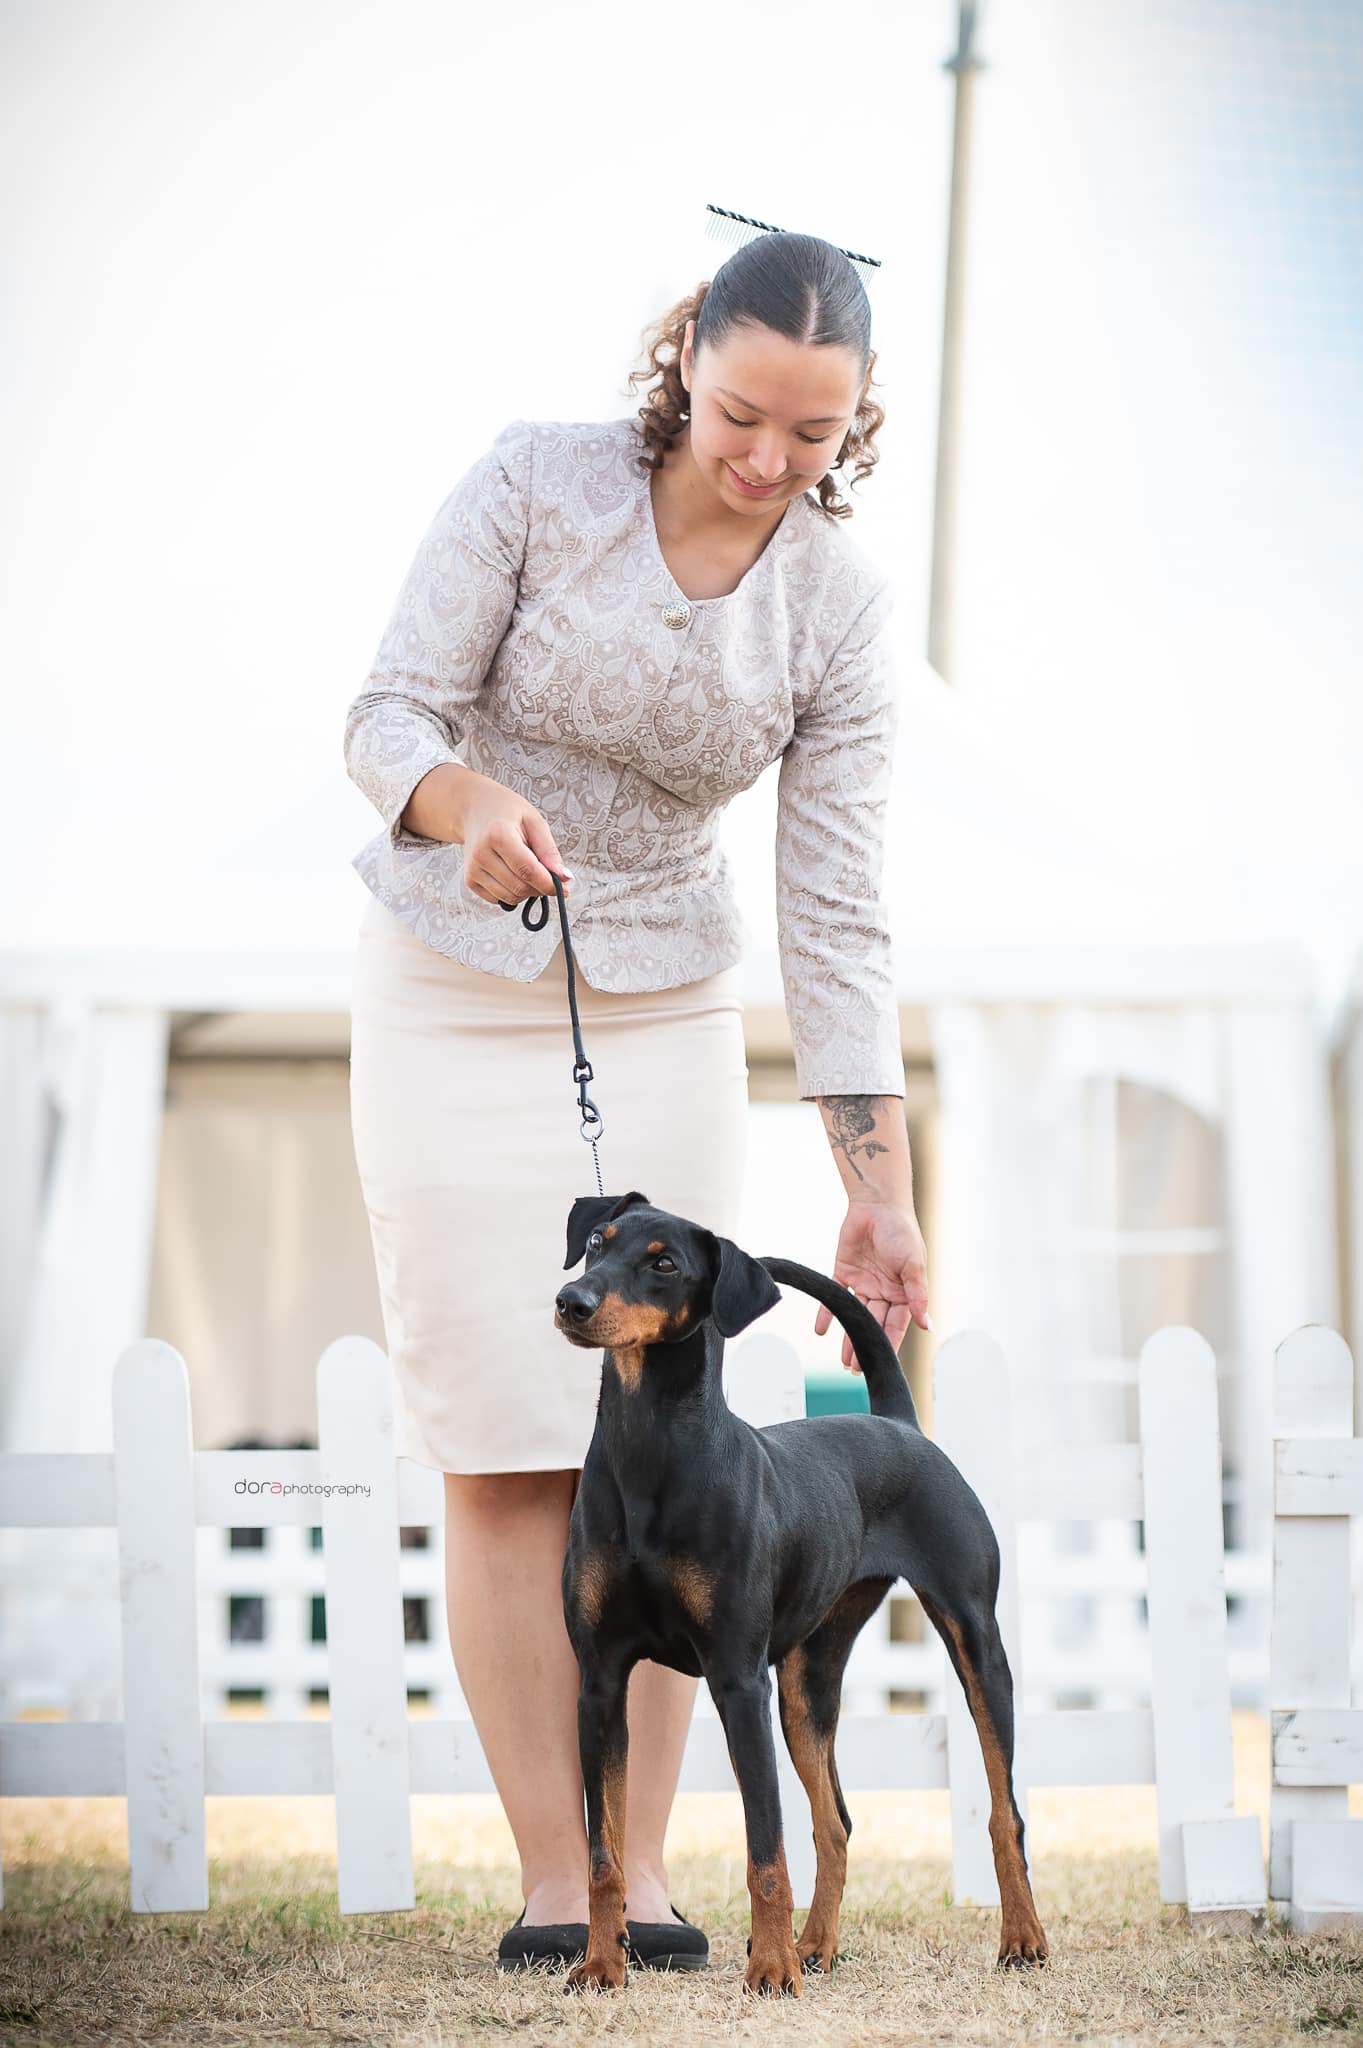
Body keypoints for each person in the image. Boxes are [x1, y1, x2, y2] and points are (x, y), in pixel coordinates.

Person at [343, 228, 932, 1972]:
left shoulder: (840, 607)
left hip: (667, 1006)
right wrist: (465, 805)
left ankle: (651, 1874)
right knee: (503, 1445)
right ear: (688, 364)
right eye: (743, 413)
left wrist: (878, 1186)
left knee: (676, 1462)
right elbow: (385, 716)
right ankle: (558, 1875)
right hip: (449, 988)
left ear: (853, 423)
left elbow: (837, 909)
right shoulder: (538, 481)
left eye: (811, 433)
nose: (767, 457)